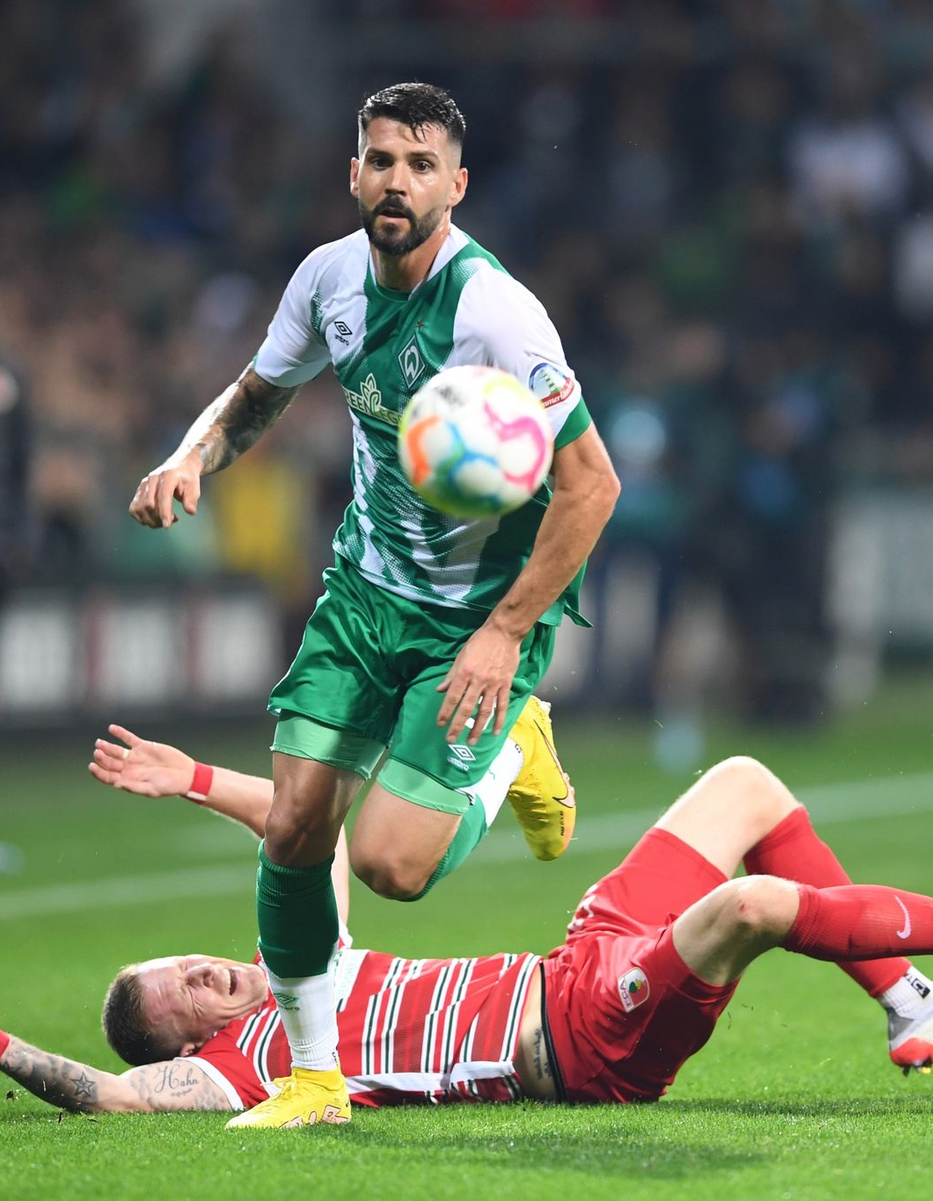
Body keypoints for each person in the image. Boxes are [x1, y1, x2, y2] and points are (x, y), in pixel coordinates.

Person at [126, 82, 621, 1127]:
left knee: (389, 865)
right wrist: (191, 456)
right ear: (354, 172)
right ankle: (315, 1080)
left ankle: (516, 747)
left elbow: (592, 485)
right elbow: (258, 394)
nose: (397, 180)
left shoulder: (495, 313)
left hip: (470, 615)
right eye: (381, 159)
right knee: (298, 825)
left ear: (456, 184)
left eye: (420, 163)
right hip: (363, 593)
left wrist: (503, 633)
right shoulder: (328, 280)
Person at [0, 727, 933, 1120]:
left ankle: (913, 1004)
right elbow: (101, 1094)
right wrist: (6, 1048)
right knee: (745, 905)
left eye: (196, 962)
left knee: (744, 785)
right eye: (191, 991)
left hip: (578, 962)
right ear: (186, 1041)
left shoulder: (304, 965)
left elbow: (312, 831)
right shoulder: (253, 1069)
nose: (215, 973)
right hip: (583, 1041)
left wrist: (195, 776)